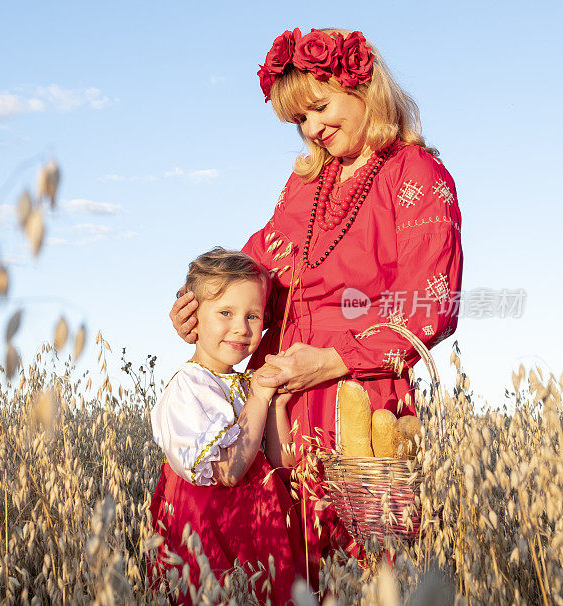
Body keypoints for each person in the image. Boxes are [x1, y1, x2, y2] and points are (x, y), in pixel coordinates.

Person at [170, 28, 463, 584]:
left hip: (357, 402)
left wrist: (327, 362)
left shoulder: (417, 175)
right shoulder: (305, 181)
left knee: (365, 574)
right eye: (298, 120)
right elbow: (254, 264)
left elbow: (431, 307)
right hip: (274, 409)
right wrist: (201, 304)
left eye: (319, 107)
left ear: (364, 87)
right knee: (278, 574)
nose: (311, 129)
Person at [149, 248, 306, 605]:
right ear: (193, 318)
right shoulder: (188, 388)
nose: (241, 327)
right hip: (211, 538)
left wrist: (277, 404)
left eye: (253, 316)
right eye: (225, 313)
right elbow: (230, 470)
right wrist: (262, 397)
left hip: (259, 534)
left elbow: (281, 467)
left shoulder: (247, 385)